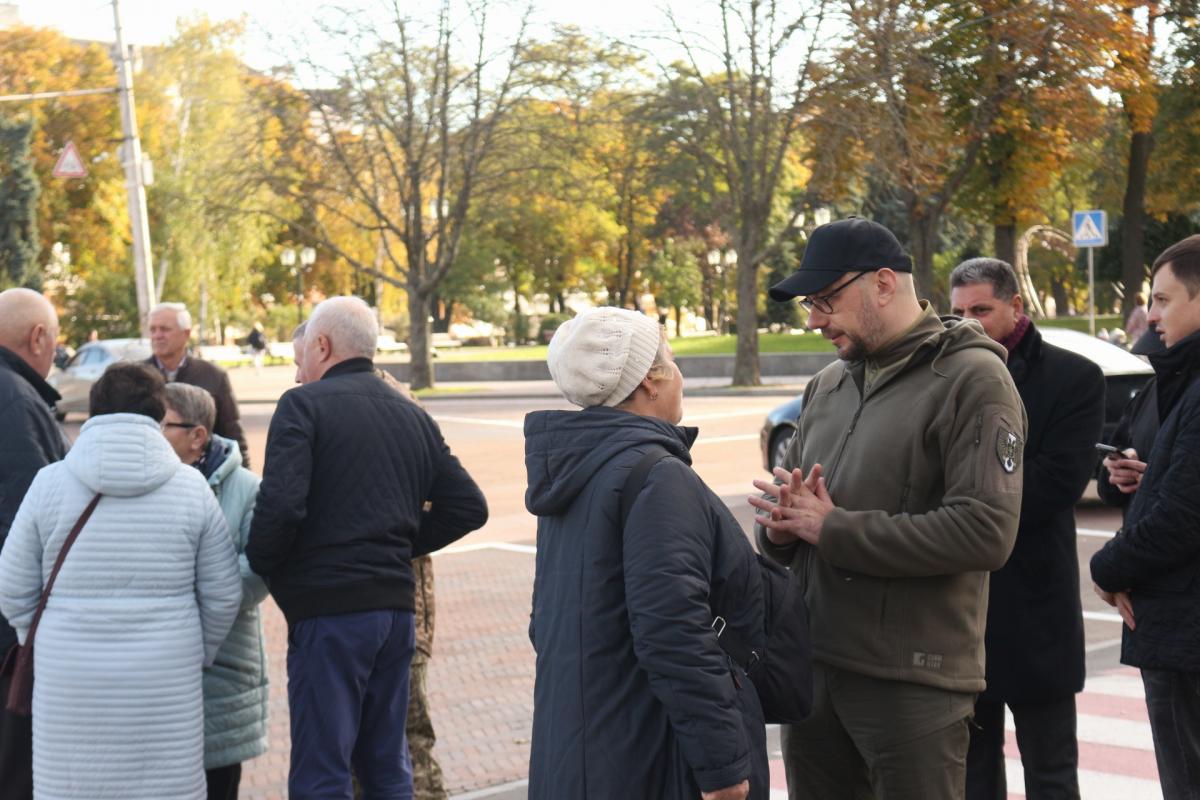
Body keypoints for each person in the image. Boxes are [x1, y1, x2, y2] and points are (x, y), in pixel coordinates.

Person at [751, 217, 1025, 800]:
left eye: (825, 300)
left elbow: (986, 532)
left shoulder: (973, 377)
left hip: (911, 684)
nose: (814, 320)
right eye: (809, 303)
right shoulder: (827, 385)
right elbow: (796, 521)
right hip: (815, 673)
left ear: (883, 284)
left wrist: (835, 529)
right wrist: (779, 526)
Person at [246, 296, 488, 798]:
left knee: (323, 766)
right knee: (386, 763)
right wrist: (396, 543)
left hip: (329, 610)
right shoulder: (410, 413)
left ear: (322, 344)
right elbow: (467, 507)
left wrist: (267, 565)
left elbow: (281, 506)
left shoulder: (303, 406)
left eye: (299, 361)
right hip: (395, 613)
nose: (296, 375)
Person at [525, 307, 768, 800]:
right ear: (650, 381)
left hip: (583, 746)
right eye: (672, 361)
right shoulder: (656, 475)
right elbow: (674, 629)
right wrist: (722, 768)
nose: (680, 375)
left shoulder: (576, 472)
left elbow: (545, 622)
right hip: (651, 756)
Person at [0, 363, 241, 800]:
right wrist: (197, 649)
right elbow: (223, 594)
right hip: (165, 680)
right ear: (158, 413)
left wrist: (40, 636)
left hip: (68, 678)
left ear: (94, 412)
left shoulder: (49, 484)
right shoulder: (190, 488)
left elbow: (11, 586)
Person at [948, 258, 1105, 800]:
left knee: (1052, 773)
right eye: (958, 312)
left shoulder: (1073, 378)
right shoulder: (943, 375)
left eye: (981, 310)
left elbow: (1057, 484)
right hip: (963, 613)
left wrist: (965, 499)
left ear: (1017, 306)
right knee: (972, 777)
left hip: (1039, 611)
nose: (967, 324)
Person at [1090, 234, 1200, 800]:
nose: (1149, 314)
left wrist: (1106, 569)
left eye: (1162, 299)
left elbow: (1182, 516)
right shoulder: (1170, 377)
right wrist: (1135, 474)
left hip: (1184, 627)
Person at [162, 383, 270, 800]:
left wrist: (191, 600)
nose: (154, 432)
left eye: (164, 424)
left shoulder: (247, 489)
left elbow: (257, 573)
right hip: (162, 673)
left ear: (197, 436)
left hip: (222, 672)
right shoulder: (152, 486)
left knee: (218, 785)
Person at [0, 288, 67, 800]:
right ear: (38, 336)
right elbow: (36, 522)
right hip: (11, 634)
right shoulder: (16, 400)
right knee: (18, 770)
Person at [144, 302, 250, 466]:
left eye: (164, 329)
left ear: (186, 334)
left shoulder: (214, 376)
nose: (157, 335)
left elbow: (232, 433)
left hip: (203, 476)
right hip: (149, 472)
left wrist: (242, 479)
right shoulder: (136, 378)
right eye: (153, 329)